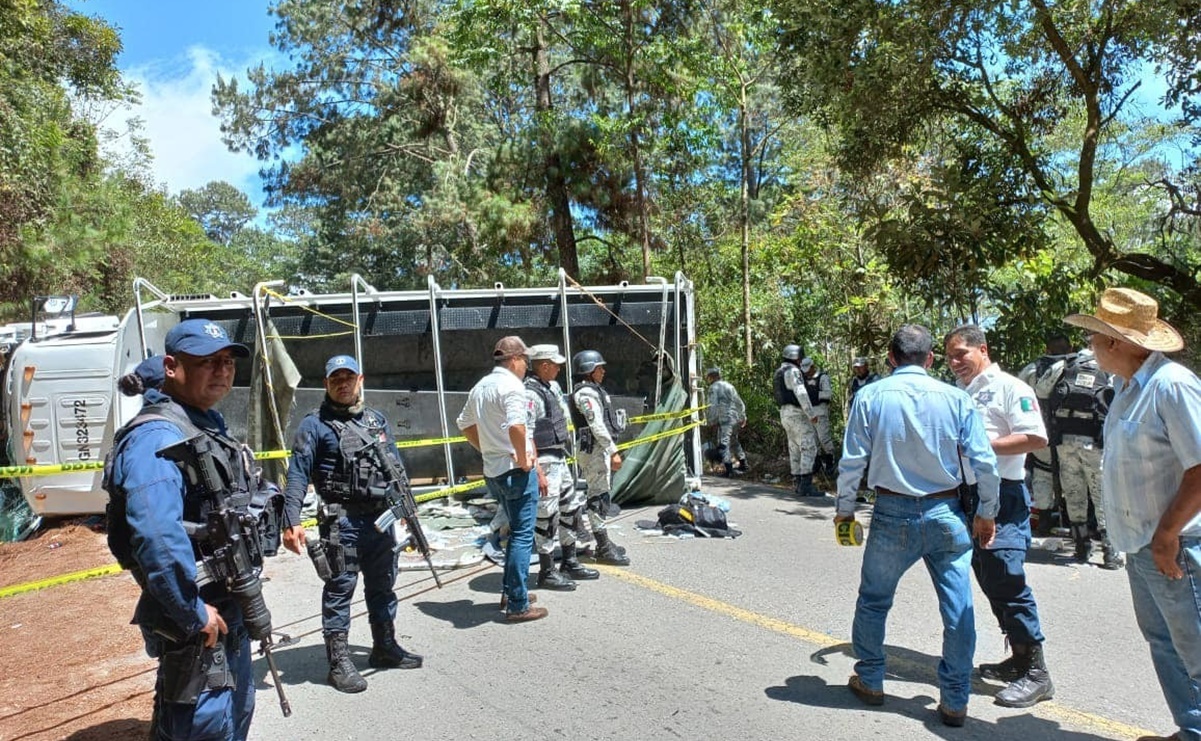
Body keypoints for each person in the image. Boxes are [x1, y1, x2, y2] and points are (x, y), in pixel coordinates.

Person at [835, 323, 1000, 727]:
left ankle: (871, 678)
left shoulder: (869, 396)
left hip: (891, 514)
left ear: (890, 358)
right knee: (958, 609)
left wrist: (844, 509)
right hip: (947, 515)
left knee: (874, 599)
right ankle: (955, 699)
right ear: (929, 359)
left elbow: (852, 461)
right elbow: (985, 463)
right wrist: (987, 512)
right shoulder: (956, 399)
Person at [103, 319, 261, 740]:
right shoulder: (157, 436)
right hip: (197, 619)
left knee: (234, 713)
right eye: (207, 362)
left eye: (227, 361)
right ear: (172, 366)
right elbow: (156, 535)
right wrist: (191, 613)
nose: (222, 370)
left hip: (227, 609)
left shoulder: (203, 422)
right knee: (205, 727)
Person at [1064, 287, 1201, 741]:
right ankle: (1192, 730)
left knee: (1197, 650)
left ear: (1117, 343)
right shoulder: (1127, 389)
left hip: (1175, 545)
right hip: (1142, 544)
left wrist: (1167, 535)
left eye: (1095, 337)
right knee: (1165, 644)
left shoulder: (1172, 386)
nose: (1091, 346)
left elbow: (1200, 468)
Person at [280, 354, 423, 694]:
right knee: (340, 590)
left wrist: (408, 513)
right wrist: (292, 520)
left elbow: (395, 468)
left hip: (379, 520)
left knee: (384, 584)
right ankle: (339, 663)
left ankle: (385, 646)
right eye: (335, 379)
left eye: (349, 377)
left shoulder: (376, 420)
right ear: (327, 384)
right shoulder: (314, 425)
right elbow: (298, 475)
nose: (342, 384)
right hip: (340, 522)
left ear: (361, 380)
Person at [945, 324, 1054, 708]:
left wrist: (981, 446)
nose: (956, 362)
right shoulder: (961, 393)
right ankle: (1019, 657)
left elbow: (1036, 438)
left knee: (1007, 576)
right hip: (970, 495)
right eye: (950, 357)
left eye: (962, 353)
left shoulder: (1012, 388)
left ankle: (1037, 673)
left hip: (1004, 495)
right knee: (989, 575)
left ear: (983, 350)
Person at [457, 336, 550, 622]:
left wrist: (486, 449)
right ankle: (518, 604)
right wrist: (524, 459)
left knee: (514, 533)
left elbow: (464, 424)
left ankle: (513, 590)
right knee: (523, 536)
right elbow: (518, 427)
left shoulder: (481, 386)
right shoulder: (512, 386)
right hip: (515, 471)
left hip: (493, 471)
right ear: (513, 360)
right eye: (525, 360)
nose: (527, 366)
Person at [523, 344, 597, 589]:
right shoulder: (530, 393)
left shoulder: (551, 387)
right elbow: (526, 434)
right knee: (546, 517)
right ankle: (546, 571)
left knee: (571, 509)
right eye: (555, 364)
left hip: (559, 458)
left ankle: (569, 560)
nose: (558, 369)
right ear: (544, 365)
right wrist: (538, 472)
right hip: (544, 460)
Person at [569, 349, 632, 566]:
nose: (603, 371)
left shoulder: (594, 390)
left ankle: (603, 541)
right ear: (588, 370)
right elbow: (596, 424)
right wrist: (613, 450)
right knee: (597, 498)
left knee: (602, 496)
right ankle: (603, 546)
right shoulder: (585, 394)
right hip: (594, 450)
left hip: (599, 449)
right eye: (599, 367)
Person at [1017, 334, 1074, 537]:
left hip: (1042, 433)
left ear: (1047, 350)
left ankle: (1044, 520)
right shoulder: (1078, 366)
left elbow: (1019, 394)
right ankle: (1079, 526)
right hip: (1072, 434)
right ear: (1070, 347)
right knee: (1075, 478)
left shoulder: (1033, 369)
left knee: (1042, 474)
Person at [773, 344, 821, 497]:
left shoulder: (778, 372)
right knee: (809, 446)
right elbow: (801, 392)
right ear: (796, 357)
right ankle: (806, 485)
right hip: (796, 414)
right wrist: (811, 413)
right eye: (800, 358)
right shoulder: (793, 371)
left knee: (794, 447)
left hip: (784, 414)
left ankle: (798, 483)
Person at [704, 367, 748, 477]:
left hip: (724, 420)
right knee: (733, 441)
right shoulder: (729, 386)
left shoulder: (713, 388)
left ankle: (729, 471)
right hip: (735, 418)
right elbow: (739, 402)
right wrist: (743, 416)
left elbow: (712, 406)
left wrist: (711, 421)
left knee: (724, 444)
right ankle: (743, 464)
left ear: (711, 377)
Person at [802, 357, 837, 477]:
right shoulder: (805, 380)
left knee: (824, 439)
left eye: (808, 369)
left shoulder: (822, 377)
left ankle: (830, 462)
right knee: (813, 441)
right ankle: (817, 464)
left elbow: (828, 394)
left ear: (813, 367)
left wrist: (814, 394)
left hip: (820, 413)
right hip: (809, 414)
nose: (806, 372)